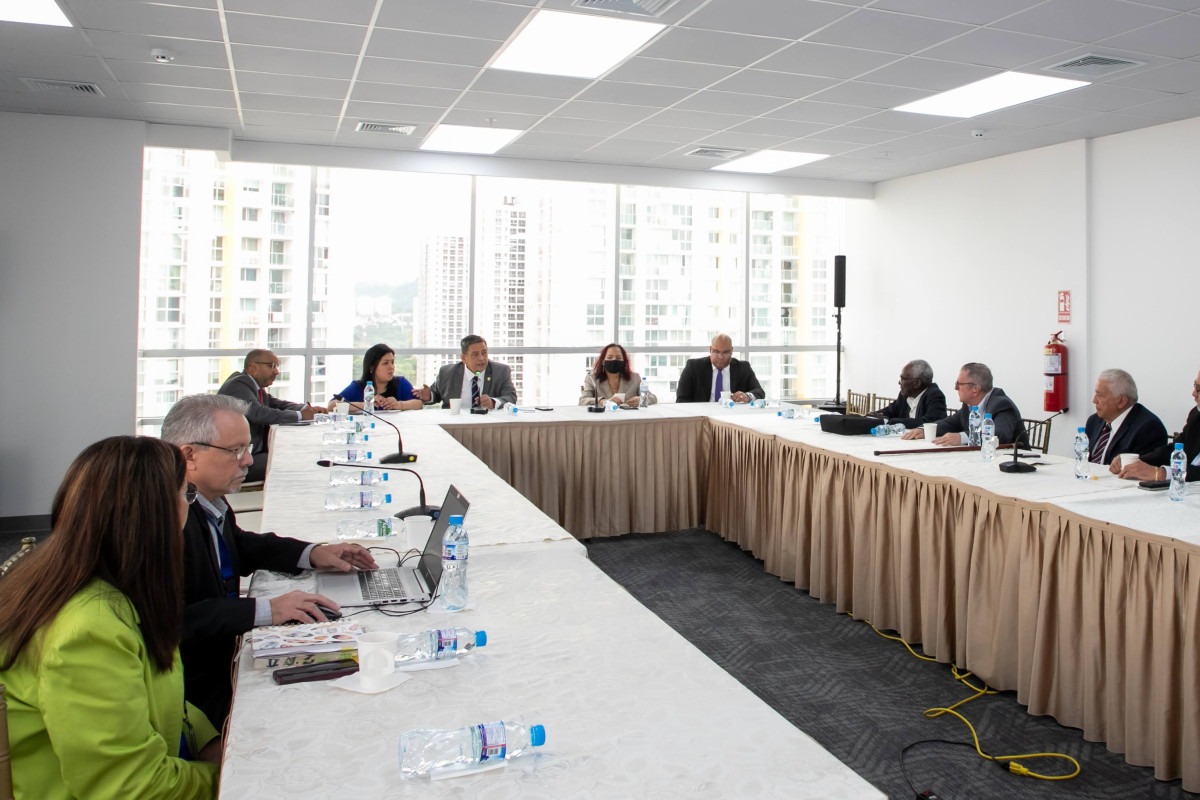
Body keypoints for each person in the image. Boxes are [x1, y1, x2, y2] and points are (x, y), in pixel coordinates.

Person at [0, 436, 220, 798]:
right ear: (156, 515)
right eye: (187, 494)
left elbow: (157, 693)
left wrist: (210, 742)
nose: (189, 506)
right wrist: (234, 778)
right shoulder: (90, 629)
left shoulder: (88, 579)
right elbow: (128, 786)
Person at [161, 394, 378, 727]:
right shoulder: (166, 520)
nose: (248, 461)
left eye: (247, 448)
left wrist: (312, 553)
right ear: (189, 456)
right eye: (236, 450)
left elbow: (240, 545)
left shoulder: (205, 499)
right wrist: (267, 610)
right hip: (196, 693)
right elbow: (175, 620)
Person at [218, 349, 328, 481]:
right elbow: (258, 413)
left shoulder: (253, 386)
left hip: (252, 453)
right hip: (238, 460)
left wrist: (305, 409)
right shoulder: (239, 384)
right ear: (253, 368)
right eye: (272, 366)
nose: (276, 371)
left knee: (295, 454)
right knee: (292, 461)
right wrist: (300, 415)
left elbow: (276, 404)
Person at [903, 362, 1025, 445]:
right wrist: (924, 430)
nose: (956, 388)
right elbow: (949, 423)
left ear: (975, 389)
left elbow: (1000, 435)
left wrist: (962, 437)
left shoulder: (1002, 405)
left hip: (1015, 464)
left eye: (959, 384)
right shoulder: (969, 405)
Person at [1114, 369, 1200, 482]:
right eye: (1195, 386)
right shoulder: (1196, 415)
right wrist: (1137, 461)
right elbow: (1175, 449)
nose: (1193, 393)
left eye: (1199, 389)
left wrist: (1162, 473)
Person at [1084, 369, 1168, 466]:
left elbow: (1139, 470)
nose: (1094, 400)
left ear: (1121, 401)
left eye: (1100, 395)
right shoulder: (1094, 421)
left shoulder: (1149, 428)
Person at [418, 334, 517, 410]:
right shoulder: (447, 372)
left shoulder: (501, 371)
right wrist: (429, 396)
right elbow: (435, 394)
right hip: (455, 423)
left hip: (487, 424)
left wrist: (493, 402)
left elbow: (511, 397)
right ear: (464, 358)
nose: (481, 358)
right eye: (475, 354)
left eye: (484, 353)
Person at [334, 343, 426, 412]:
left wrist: (399, 405)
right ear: (372, 367)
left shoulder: (401, 383)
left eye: (392, 362)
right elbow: (332, 405)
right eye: (385, 363)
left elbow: (419, 403)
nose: (391, 367)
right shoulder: (358, 386)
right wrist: (367, 404)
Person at [675, 334, 765, 403]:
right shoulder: (693, 367)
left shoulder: (743, 368)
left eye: (725, 352)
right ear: (710, 349)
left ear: (731, 351)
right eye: (716, 352)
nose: (720, 357)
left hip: (732, 417)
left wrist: (747, 396)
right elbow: (681, 399)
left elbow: (759, 392)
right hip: (702, 417)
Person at [868, 359, 948, 429]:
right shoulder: (905, 394)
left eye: (903, 379)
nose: (899, 382)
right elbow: (891, 410)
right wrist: (875, 415)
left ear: (917, 383)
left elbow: (931, 423)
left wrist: (892, 421)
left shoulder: (935, 395)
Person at [578, 343, 658, 408]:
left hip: (629, 419)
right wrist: (602, 401)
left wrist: (641, 399)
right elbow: (583, 400)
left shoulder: (635, 378)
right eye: (610, 357)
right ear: (603, 361)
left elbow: (653, 398)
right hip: (602, 419)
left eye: (618, 358)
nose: (614, 360)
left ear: (624, 361)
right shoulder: (592, 378)